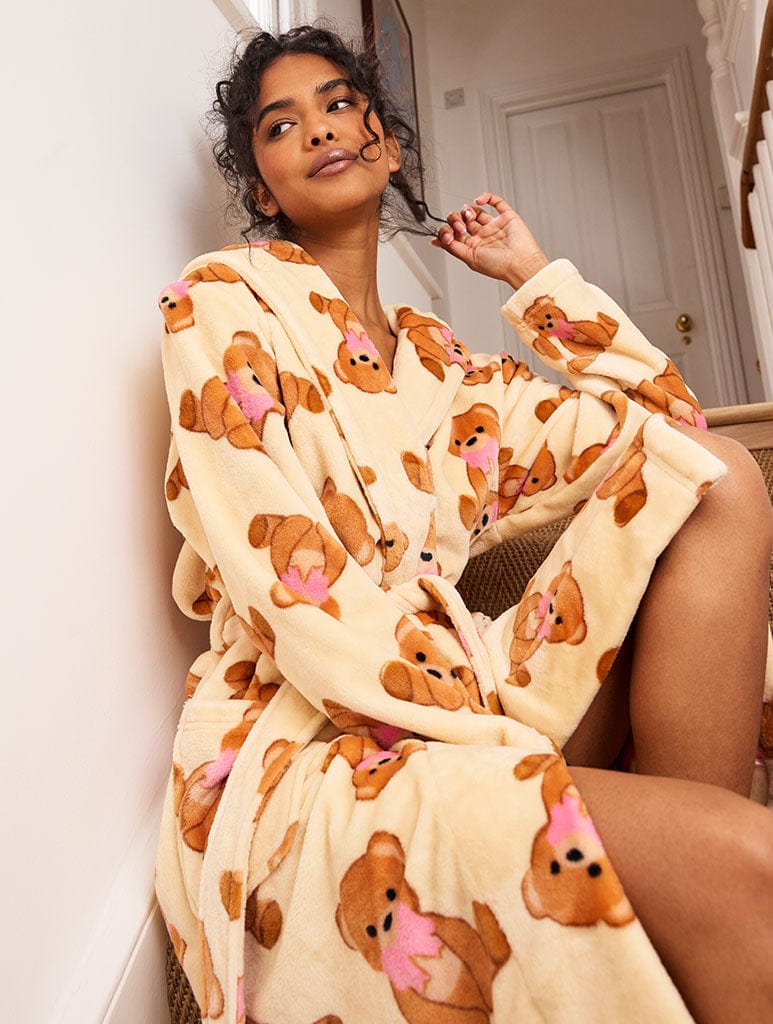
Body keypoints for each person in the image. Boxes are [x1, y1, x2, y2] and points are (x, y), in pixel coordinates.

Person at [155, 23, 773, 1024]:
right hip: (322, 734)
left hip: (464, 679)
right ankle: (703, 881)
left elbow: (672, 435)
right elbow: (288, 594)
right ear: (262, 190)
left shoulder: (446, 369)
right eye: (281, 124)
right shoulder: (220, 302)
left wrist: (530, 277)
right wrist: (484, 728)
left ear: (388, 143)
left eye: (340, 103)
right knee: (741, 863)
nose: (320, 128)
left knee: (724, 481)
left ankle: (686, 887)